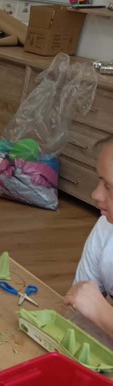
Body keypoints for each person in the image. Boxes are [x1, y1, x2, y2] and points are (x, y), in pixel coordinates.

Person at [65, 136, 113, 337]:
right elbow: (78, 310)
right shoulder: (105, 227)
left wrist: (102, 313)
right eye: (99, 180)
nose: (95, 194)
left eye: (109, 187)